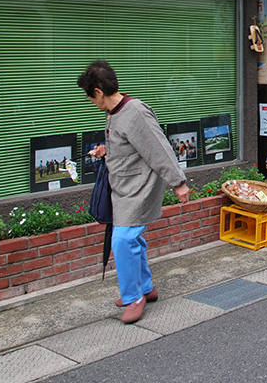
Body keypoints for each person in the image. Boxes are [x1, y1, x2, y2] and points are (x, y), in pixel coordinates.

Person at [78, 60, 190, 324]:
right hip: (124, 186)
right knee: (132, 240)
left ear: (98, 91)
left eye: (90, 97)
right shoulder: (116, 112)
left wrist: (178, 182)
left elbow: (157, 148)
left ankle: (133, 297)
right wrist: (107, 151)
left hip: (139, 187)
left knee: (123, 240)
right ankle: (146, 288)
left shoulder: (134, 112)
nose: (92, 102)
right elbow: (129, 144)